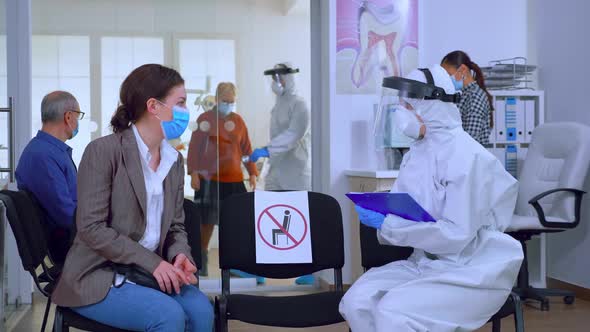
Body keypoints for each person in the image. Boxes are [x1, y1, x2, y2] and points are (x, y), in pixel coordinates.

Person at [339, 65, 523, 331]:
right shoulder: (417, 153)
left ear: (433, 106)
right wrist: (386, 212)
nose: (401, 111)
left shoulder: (467, 157)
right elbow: (410, 210)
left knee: (393, 312)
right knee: (356, 301)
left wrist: (389, 225)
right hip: (425, 261)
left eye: (408, 104)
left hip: (471, 268)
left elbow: (456, 235)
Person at [51, 64, 214, 331]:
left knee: (201, 312)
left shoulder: (174, 161)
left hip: (147, 272)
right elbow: (92, 229)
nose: (186, 112)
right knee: (168, 316)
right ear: (154, 106)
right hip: (98, 273)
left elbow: (175, 226)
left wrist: (179, 255)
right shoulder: (103, 152)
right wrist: (154, 263)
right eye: (181, 102)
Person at [250, 63, 313, 285]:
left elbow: (294, 134)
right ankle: (264, 266)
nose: (276, 83)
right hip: (277, 168)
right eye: (274, 78)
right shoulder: (278, 105)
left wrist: (267, 149)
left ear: (290, 78)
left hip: (296, 170)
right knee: (270, 217)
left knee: (298, 222)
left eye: (280, 78)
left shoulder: (300, 104)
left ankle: (310, 269)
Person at [187, 82, 258, 278]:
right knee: (206, 223)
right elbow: (194, 148)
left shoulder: (238, 121)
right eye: (225, 101)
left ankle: (237, 265)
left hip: (234, 180)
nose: (229, 104)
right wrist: (193, 173)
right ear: (217, 100)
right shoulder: (205, 119)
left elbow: (247, 149)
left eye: (232, 102)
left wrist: (252, 172)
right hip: (209, 180)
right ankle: (201, 262)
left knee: (238, 222)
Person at [15, 91, 81, 265]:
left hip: (72, 238)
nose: (77, 122)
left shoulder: (48, 151)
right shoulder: (43, 156)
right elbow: (66, 214)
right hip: (70, 244)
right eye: (78, 116)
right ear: (68, 117)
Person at [441, 50, 494, 145]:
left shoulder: (474, 97)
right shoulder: (461, 95)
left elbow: (469, 140)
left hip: (468, 158)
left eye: (448, 75)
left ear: (463, 70)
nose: (445, 79)